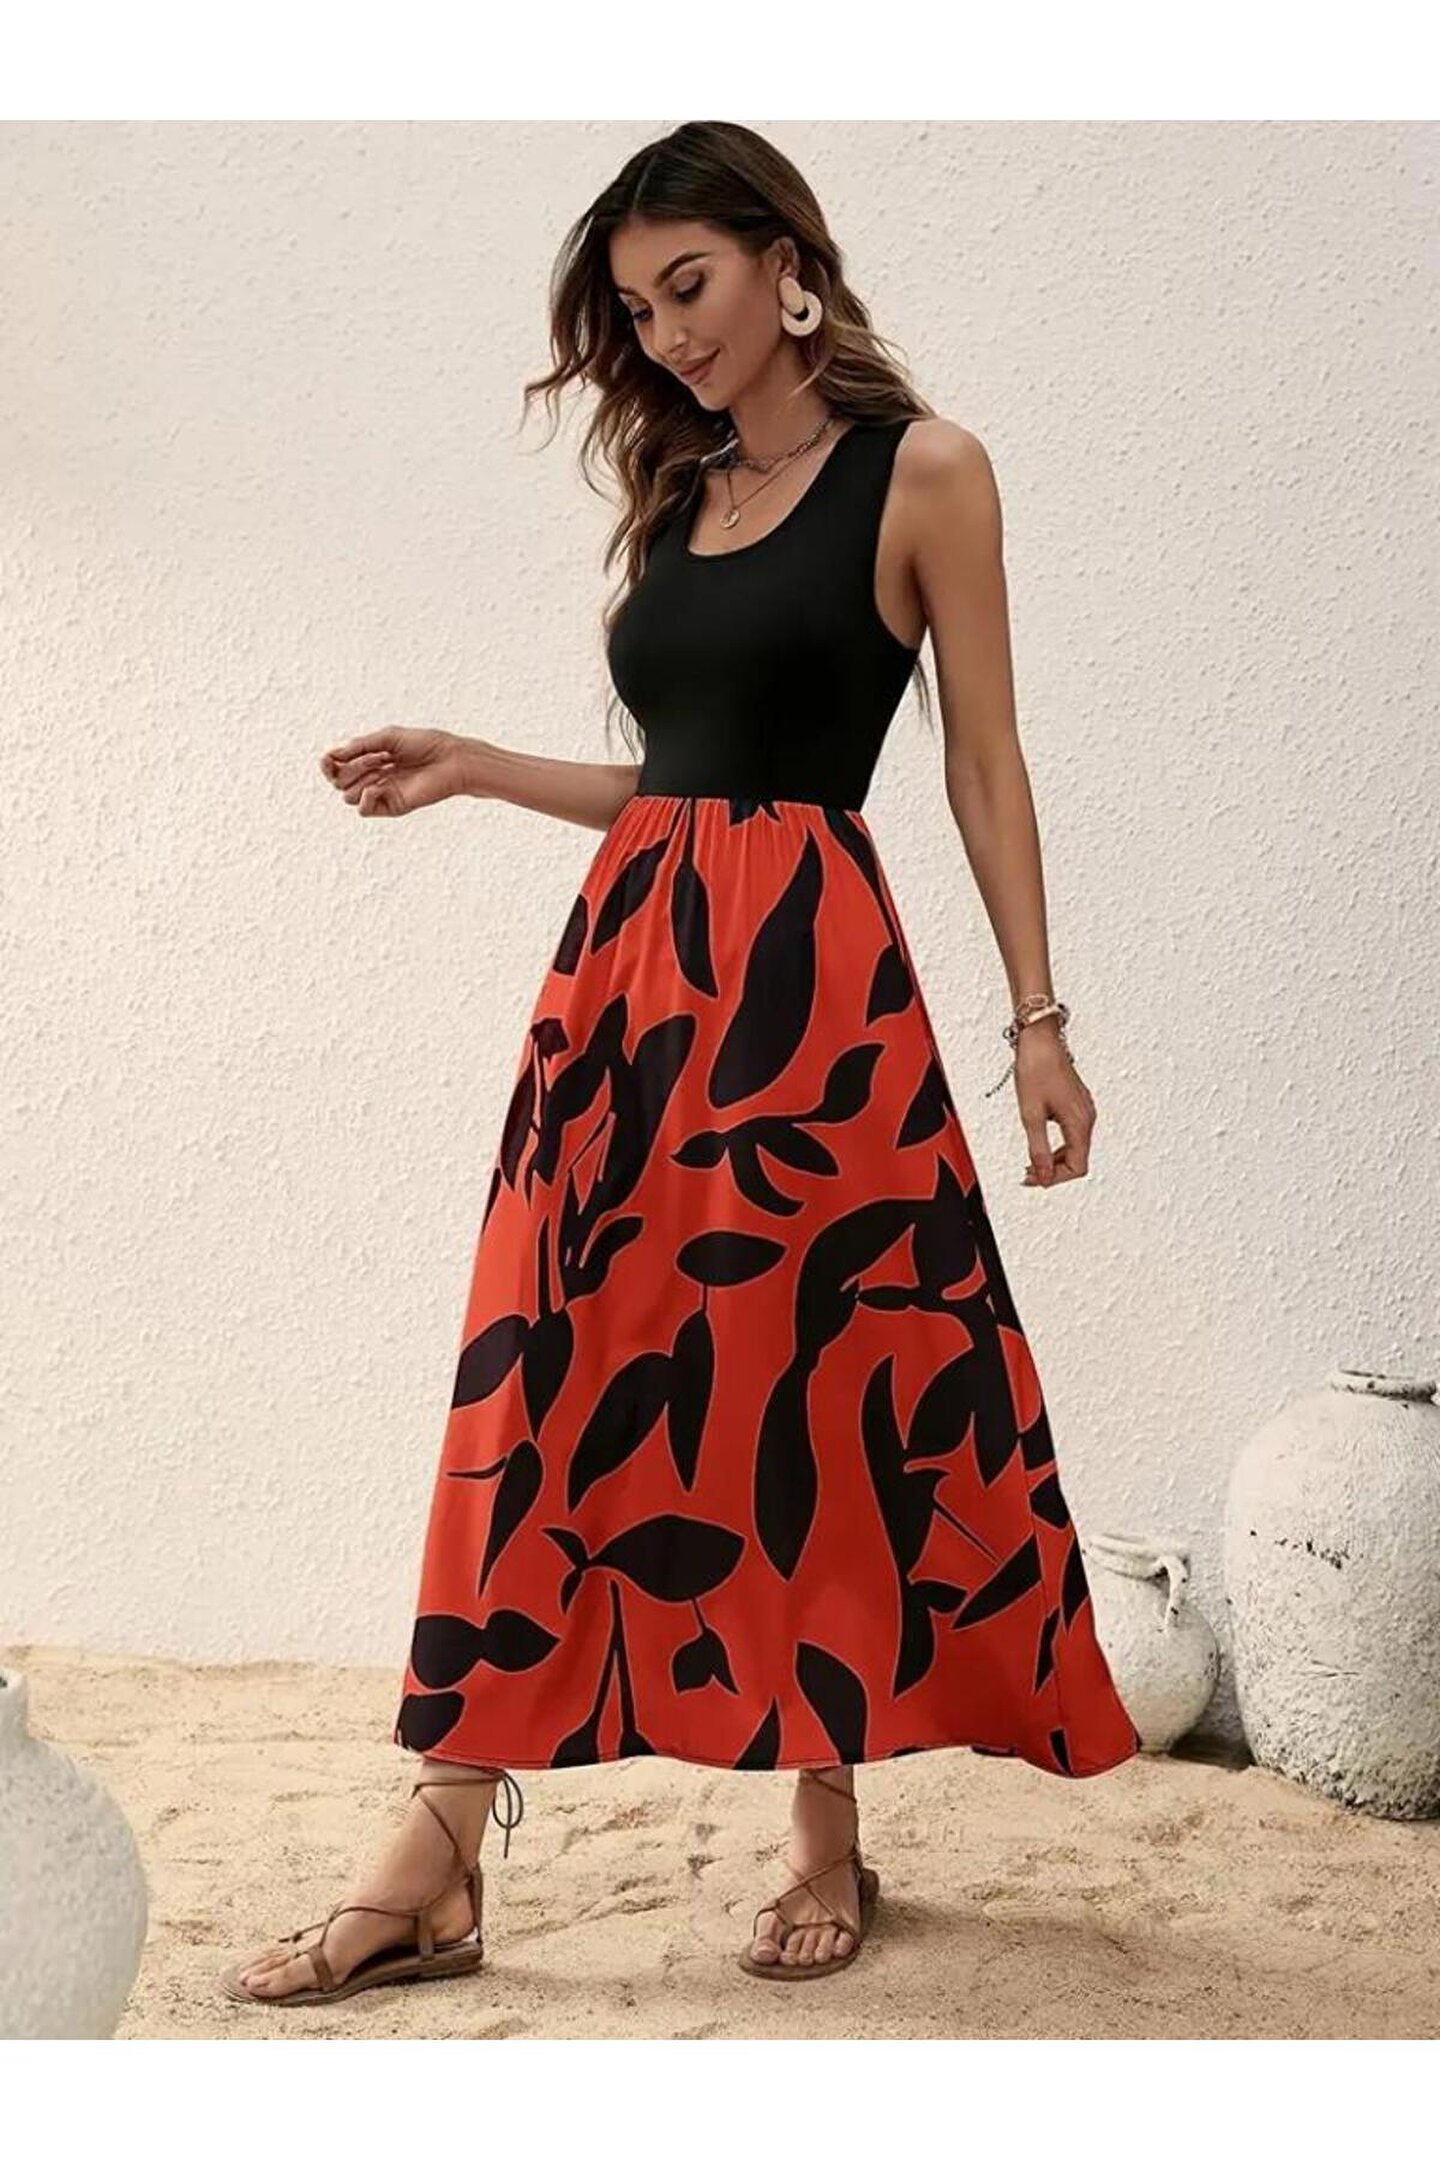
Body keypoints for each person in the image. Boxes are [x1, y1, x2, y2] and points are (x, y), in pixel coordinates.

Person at [222, 118, 1140, 2009]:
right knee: (549, 1373)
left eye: (689, 286)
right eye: (638, 311)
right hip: (626, 992)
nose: (667, 335)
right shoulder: (681, 491)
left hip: (811, 1001)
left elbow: (981, 760)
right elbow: (682, 780)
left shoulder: (925, 471)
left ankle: (824, 1825)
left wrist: (1038, 1022)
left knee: (816, 1378)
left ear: (787, 262)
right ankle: (440, 1842)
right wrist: (475, 764)